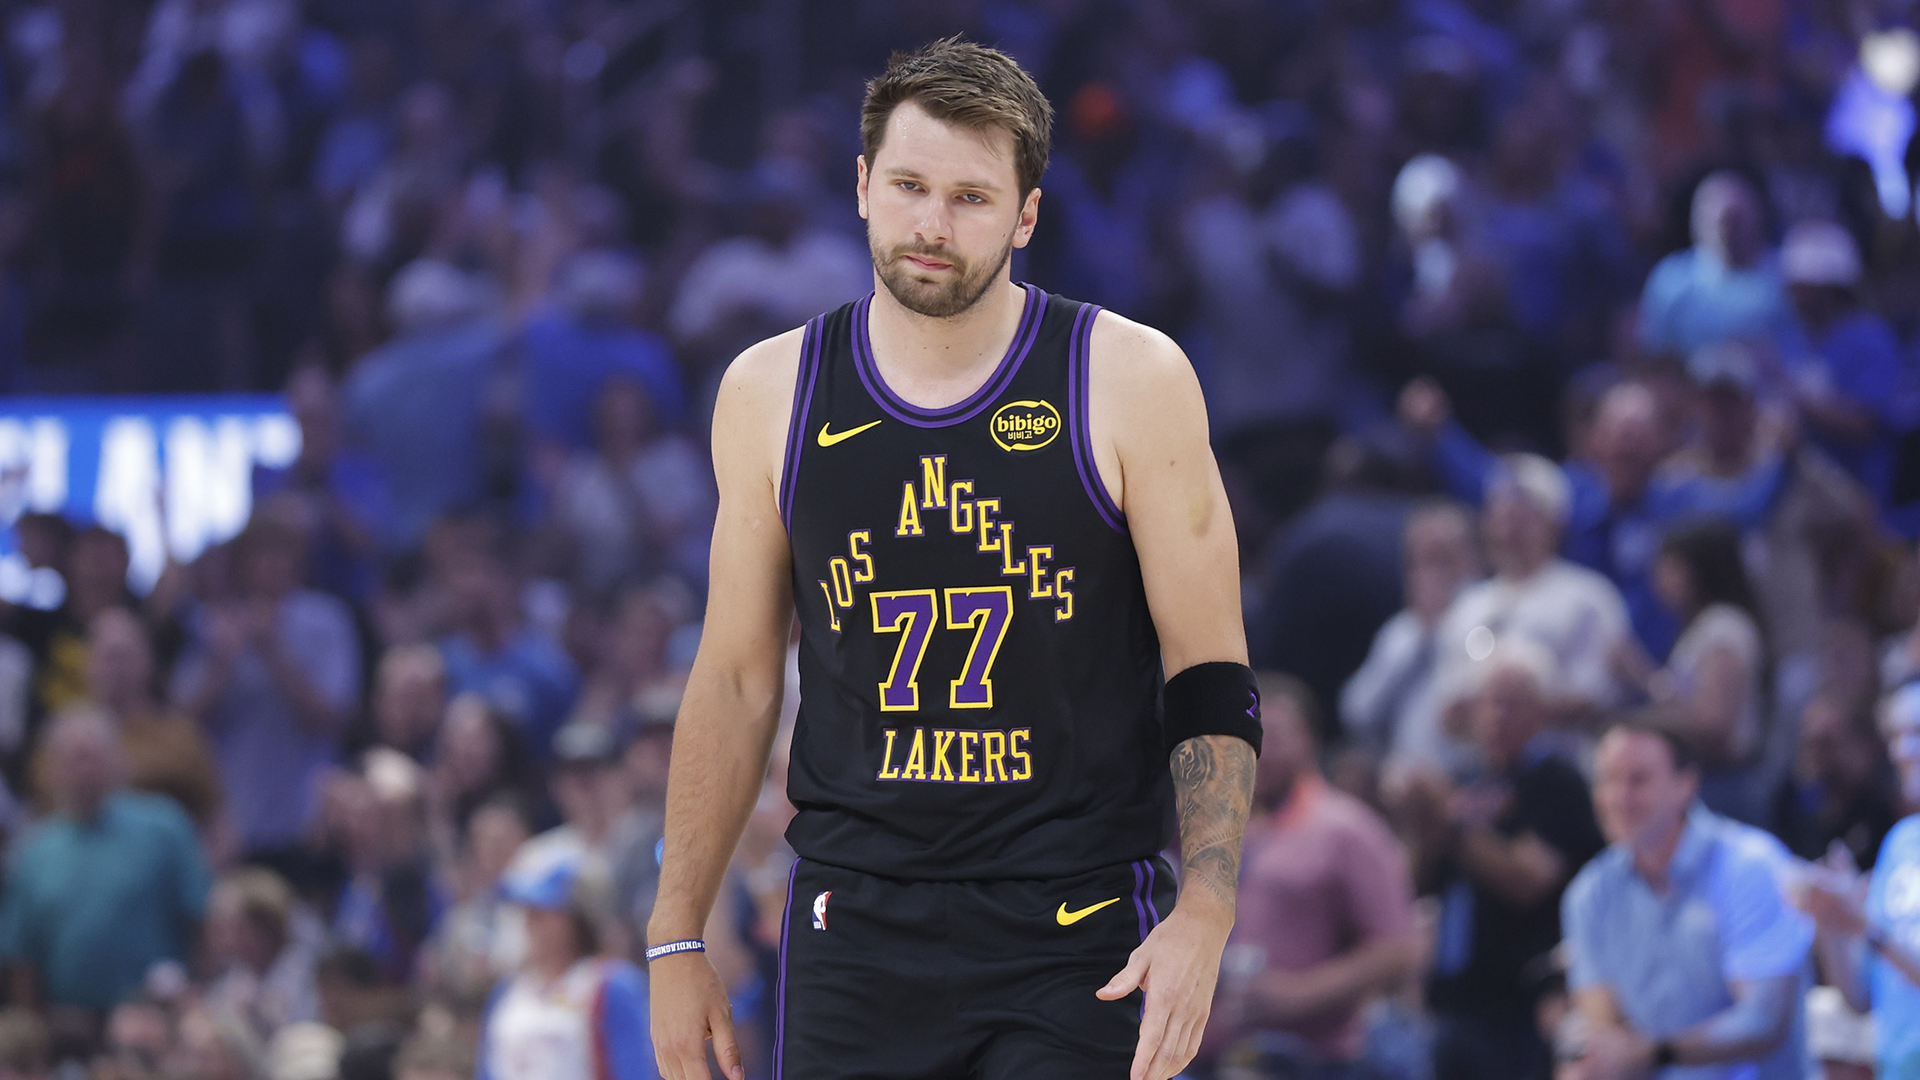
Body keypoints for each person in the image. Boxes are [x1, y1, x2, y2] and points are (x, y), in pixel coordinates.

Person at [648, 37, 1262, 1080]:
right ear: (860, 187)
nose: (932, 225)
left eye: (973, 198)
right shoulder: (768, 392)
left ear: (1027, 215)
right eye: (910, 186)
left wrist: (1206, 909)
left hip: (1077, 923)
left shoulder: (1129, 376)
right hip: (858, 922)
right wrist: (676, 932)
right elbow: (740, 677)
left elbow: (1207, 675)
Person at [1560, 717, 1812, 1080]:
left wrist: (1654, 1053)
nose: (1619, 798)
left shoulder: (1751, 866)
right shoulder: (1590, 893)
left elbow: (1763, 1022)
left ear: (1686, 785)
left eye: (1638, 779)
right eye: (1608, 780)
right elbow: (1605, 1034)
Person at [1201, 675, 1418, 1079]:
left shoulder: (1346, 829)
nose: (1261, 749)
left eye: (1277, 735)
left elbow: (1397, 948)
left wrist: (1299, 995)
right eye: (1250, 734)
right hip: (1216, 1057)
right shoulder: (1221, 827)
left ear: (1310, 741)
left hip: (1313, 1060)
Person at [1414, 643, 1604, 1080]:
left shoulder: (1558, 782)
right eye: (1489, 700)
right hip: (1453, 1000)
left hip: (1521, 1004)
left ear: (1541, 713)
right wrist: (1420, 823)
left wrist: (1449, 821)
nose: (1498, 714)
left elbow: (1529, 880)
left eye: (1513, 702)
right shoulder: (1466, 779)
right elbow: (1421, 884)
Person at [0, 705, 212, 1013]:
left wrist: (197, 1000)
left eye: (92, 757)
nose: (83, 770)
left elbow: (200, 919)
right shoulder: (34, 851)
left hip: (155, 1014)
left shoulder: (164, 827)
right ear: (52, 771)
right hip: (68, 1023)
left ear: (118, 761)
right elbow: (22, 956)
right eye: (72, 760)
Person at [1787, 682, 1920, 1079]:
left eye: (1918, 734)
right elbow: (1860, 997)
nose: (1902, 751)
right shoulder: (1902, 842)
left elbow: (1878, 935)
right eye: (1895, 735)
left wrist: (1866, 926)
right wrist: (1831, 921)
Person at [1612, 521, 1771, 822]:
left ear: (1696, 571)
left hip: (1725, 785)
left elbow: (1715, 726)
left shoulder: (1724, 626)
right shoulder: (1701, 628)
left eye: (1669, 567)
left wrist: (1643, 678)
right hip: (1710, 781)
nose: (1658, 577)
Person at [477, 847, 656, 1080]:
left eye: (544, 912)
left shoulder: (612, 986)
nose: (532, 922)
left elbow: (637, 1070)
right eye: (528, 911)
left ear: (577, 917)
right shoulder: (505, 996)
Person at [1340, 500, 1482, 763]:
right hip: (1402, 778)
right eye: (1422, 561)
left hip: (1470, 774)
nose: (1432, 574)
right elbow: (1357, 713)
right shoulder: (1401, 631)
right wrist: (1422, 638)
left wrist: (1439, 630)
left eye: (1444, 559)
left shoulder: (1490, 615)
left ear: (1471, 560)